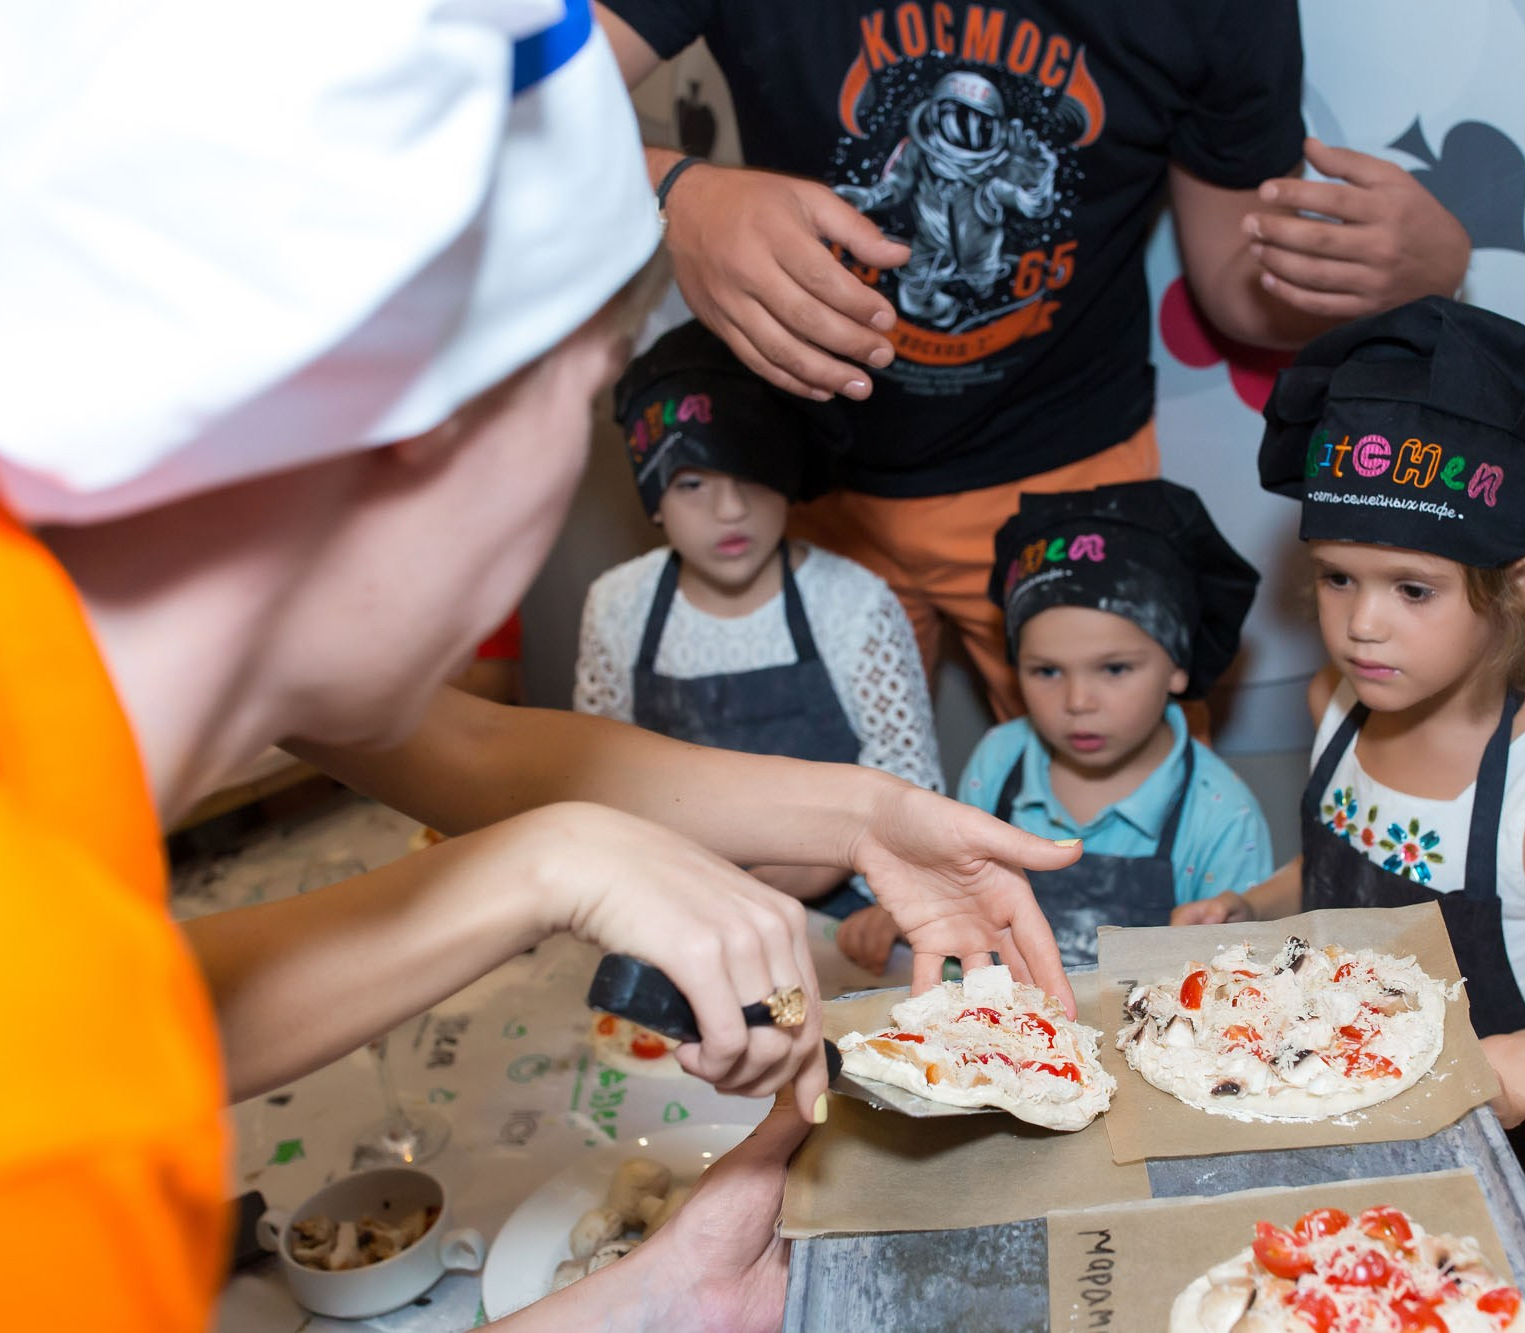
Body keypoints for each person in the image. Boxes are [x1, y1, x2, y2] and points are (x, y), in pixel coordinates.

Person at [0, 4, 1077, 1328]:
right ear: (418, 423)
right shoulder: (54, 1132)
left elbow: (470, 758)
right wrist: (549, 862)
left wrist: (859, 814)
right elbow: (91, 1045)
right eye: (582, 399)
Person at [593, 0, 1473, 716]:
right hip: (801, 472)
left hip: (1064, 479)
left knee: (1128, 862)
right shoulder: (911, 159)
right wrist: (676, 192)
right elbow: (482, 115)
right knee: (779, 849)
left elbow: (1237, 286)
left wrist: (1400, 276)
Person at [1177, 298, 1525, 1207]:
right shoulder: (1335, 706)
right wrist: (1255, 901)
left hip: (1516, 1169)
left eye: (1413, 589)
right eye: (1337, 578)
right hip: (1338, 1119)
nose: (1363, 624)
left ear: (1517, 587)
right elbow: (1343, 866)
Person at [575, 319, 942, 915]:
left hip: (834, 901)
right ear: (655, 498)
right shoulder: (618, 605)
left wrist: (794, 875)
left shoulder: (854, 604)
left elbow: (910, 791)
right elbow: (598, 785)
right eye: (693, 482)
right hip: (670, 899)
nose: (730, 509)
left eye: (752, 474)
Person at [838, 479, 1271, 970]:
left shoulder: (1221, 816)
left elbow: (1241, 972)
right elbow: (961, 901)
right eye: (1046, 671)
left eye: (1114, 669)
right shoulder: (999, 760)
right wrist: (910, 912)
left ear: (1177, 665)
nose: (1077, 701)